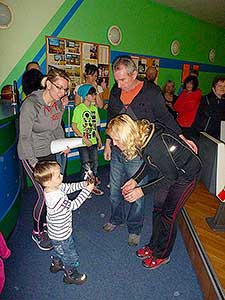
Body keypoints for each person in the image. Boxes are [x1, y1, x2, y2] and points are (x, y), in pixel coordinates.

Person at [103, 56, 197, 246]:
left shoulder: (151, 92)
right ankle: (116, 218)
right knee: (115, 189)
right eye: (117, 80)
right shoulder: (115, 90)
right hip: (118, 148)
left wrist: (182, 137)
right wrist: (108, 143)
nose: (119, 85)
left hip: (141, 151)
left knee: (137, 192)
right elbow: (112, 117)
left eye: (123, 80)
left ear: (134, 74)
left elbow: (166, 118)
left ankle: (135, 228)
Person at [106, 114, 202, 270]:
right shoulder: (141, 137)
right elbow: (150, 161)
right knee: (157, 209)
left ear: (126, 134)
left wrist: (141, 191)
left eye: (116, 139)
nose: (115, 144)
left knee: (168, 215)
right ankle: (153, 246)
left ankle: (162, 255)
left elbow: (171, 177)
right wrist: (135, 180)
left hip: (186, 175)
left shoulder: (154, 144)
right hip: (168, 171)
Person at [17, 68, 70, 251]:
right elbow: (24, 138)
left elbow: (55, 127)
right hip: (29, 154)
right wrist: (33, 164)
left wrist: (63, 143)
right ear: (48, 84)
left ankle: (46, 224)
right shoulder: (31, 104)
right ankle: (37, 231)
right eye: (59, 88)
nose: (62, 93)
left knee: (53, 191)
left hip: (48, 151)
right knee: (44, 194)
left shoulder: (56, 104)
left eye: (65, 89)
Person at [33, 161, 94, 284]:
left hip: (56, 231)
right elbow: (74, 205)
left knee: (59, 249)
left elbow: (69, 187)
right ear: (48, 181)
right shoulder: (56, 198)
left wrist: (84, 184)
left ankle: (57, 264)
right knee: (69, 253)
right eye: (58, 175)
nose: (61, 175)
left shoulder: (53, 188)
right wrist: (87, 190)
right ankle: (70, 274)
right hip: (61, 234)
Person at [72, 84, 104, 196]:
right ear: (86, 96)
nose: (95, 96)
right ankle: (85, 187)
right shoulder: (78, 109)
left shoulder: (94, 109)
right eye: (92, 94)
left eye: (95, 93)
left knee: (95, 163)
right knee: (86, 165)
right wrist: (83, 138)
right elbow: (74, 126)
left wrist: (99, 138)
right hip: (83, 142)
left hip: (93, 141)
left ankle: (92, 185)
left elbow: (94, 126)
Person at [193, 76, 225, 140]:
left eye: (224, 86)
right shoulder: (206, 99)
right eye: (219, 86)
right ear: (213, 88)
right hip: (203, 133)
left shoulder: (222, 101)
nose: (222, 88)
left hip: (217, 135)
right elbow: (214, 114)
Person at [174, 75, 202, 140]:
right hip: (179, 122)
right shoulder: (184, 92)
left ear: (195, 84)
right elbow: (175, 107)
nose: (188, 85)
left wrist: (181, 106)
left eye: (191, 83)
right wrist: (183, 106)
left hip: (189, 124)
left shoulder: (197, 93)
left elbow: (189, 107)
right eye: (187, 83)